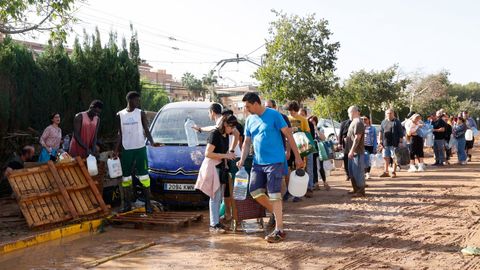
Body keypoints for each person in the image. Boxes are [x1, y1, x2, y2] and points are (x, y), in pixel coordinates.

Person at [237, 93, 304, 243]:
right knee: (254, 191)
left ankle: (279, 230)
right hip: (258, 162)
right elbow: (247, 142)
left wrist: (297, 156)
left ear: (255, 103)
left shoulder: (274, 115)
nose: (246, 109)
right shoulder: (249, 120)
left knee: (274, 194)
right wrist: (241, 159)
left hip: (275, 161)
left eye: (247, 106)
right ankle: (276, 212)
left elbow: (289, 136)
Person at [114, 92, 160, 214]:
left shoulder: (140, 113)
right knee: (126, 178)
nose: (138, 102)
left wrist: (152, 142)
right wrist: (116, 150)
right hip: (127, 149)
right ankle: (127, 204)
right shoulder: (120, 115)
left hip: (140, 148)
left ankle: (148, 204)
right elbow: (120, 134)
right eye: (136, 100)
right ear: (129, 100)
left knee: (144, 177)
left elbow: (146, 129)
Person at [204, 115, 238, 233]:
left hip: (220, 167)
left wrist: (227, 156)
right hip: (212, 167)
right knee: (215, 196)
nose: (232, 129)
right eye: (231, 127)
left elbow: (236, 135)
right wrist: (226, 156)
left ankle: (216, 223)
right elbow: (207, 153)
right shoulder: (215, 134)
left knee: (218, 196)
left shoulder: (226, 135)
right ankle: (213, 225)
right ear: (225, 124)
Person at [265, 99, 291, 227]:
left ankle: (276, 214)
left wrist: (289, 151)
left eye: (269, 106)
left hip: (279, 155)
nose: (267, 109)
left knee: (278, 184)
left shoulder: (282, 117)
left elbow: (288, 136)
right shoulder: (261, 117)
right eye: (265, 107)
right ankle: (275, 212)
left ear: (275, 107)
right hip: (265, 158)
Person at [286, 101, 310, 202]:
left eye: (292, 111)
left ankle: (298, 194)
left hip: (301, 146)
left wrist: (306, 150)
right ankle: (288, 191)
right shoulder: (287, 119)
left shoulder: (303, 120)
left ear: (295, 110)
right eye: (289, 111)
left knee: (299, 167)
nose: (291, 113)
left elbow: (307, 133)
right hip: (289, 147)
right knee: (288, 169)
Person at [346, 106, 366, 197]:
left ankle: (361, 191)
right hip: (352, 152)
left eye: (349, 112)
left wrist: (352, 150)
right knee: (352, 172)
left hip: (357, 152)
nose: (348, 114)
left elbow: (357, 138)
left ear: (354, 112)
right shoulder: (353, 122)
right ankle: (355, 189)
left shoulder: (358, 123)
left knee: (358, 172)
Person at [378, 108, 404, 178]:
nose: (389, 114)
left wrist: (400, 142)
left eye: (390, 113)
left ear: (393, 114)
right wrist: (380, 141)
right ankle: (386, 172)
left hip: (394, 143)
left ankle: (393, 172)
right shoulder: (383, 122)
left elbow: (401, 133)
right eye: (387, 113)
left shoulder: (397, 122)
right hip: (385, 143)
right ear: (385, 114)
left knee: (394, 158)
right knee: (386, 157)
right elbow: (381, 131)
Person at [308, 116, 330, 190]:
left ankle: (324, 182)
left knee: (321, 167)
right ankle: (316, 183)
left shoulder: (320, 128)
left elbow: (323, 138)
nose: (311, 122)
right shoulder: (308, 129)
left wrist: (316, 129)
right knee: (313, 167)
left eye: (312, 121)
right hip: (312, 149)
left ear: (315, 121)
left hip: (320, 149)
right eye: (310, 121)